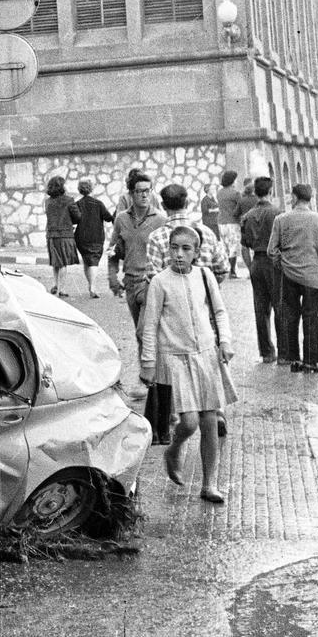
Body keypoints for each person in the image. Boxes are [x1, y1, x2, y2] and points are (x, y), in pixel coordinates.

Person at [141, 224, 234, 505]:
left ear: (195, 252)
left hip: (206, 356)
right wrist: (148, 362)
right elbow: (150, 325)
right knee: (190, 422)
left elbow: (219, 311)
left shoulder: (205, 276)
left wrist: (225, 342)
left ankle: (209, 484)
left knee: (210, 421)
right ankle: (174, 448)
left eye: (186, 249)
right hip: (176, 359)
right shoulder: (159, 282)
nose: (179, 254)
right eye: (174, 248)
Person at [107, 173, 165, 395]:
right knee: (140, 333)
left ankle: (148, 380)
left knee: (144, 332)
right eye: (139, 191)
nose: (144, 195)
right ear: (130, 194)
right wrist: (112, 277)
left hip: (151, 283)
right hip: (130, 283)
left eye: (148, 190)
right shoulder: (121, 219)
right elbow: (113, 250)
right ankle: (149, 378)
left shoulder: (160, 220)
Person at [268, 183, 318, 373]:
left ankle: (294, 359)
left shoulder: (281, 219)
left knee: (290, 317)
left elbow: (272, 250)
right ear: (310, 199)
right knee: (312, 318)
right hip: (312, 276)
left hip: (289, 275)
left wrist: (283, 262)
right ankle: (311, 361)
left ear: (295, 198)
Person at [240, 176, 284, 362]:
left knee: (261, 309)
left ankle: (266, 352)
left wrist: (251, 266)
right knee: (280, 306)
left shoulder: (247, 216)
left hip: (256, 262)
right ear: (271, 191)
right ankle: (284, 352)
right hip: (274, 263)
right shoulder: (277, 214)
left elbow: (244, 247)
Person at [73, 178, 115, 297]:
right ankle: (92, 287)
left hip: (81, 237)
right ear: (91, 188)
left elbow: (74, 219)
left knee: (87, 261)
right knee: (94, 262)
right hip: (96, 236)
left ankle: (90, 285)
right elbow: (108, 217)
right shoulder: (98, 204)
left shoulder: (77, 204)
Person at [43, 174, 81, 297]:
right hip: (65, 235)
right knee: (63, 263)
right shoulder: (69, 200)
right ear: (61, 187)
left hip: (51, 235)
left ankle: (56, 284)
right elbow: (77, 217)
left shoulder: (48, 202)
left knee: (56, 262)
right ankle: (61, 289)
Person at [216, 171, 243, 277]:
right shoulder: (235, 193)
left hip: (221, 221)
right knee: (233, 247)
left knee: (225, 246)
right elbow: (240, 207)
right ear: (232, 181)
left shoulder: (219, 193)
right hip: (233, 221)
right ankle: (232, 271)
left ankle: (227, 269)